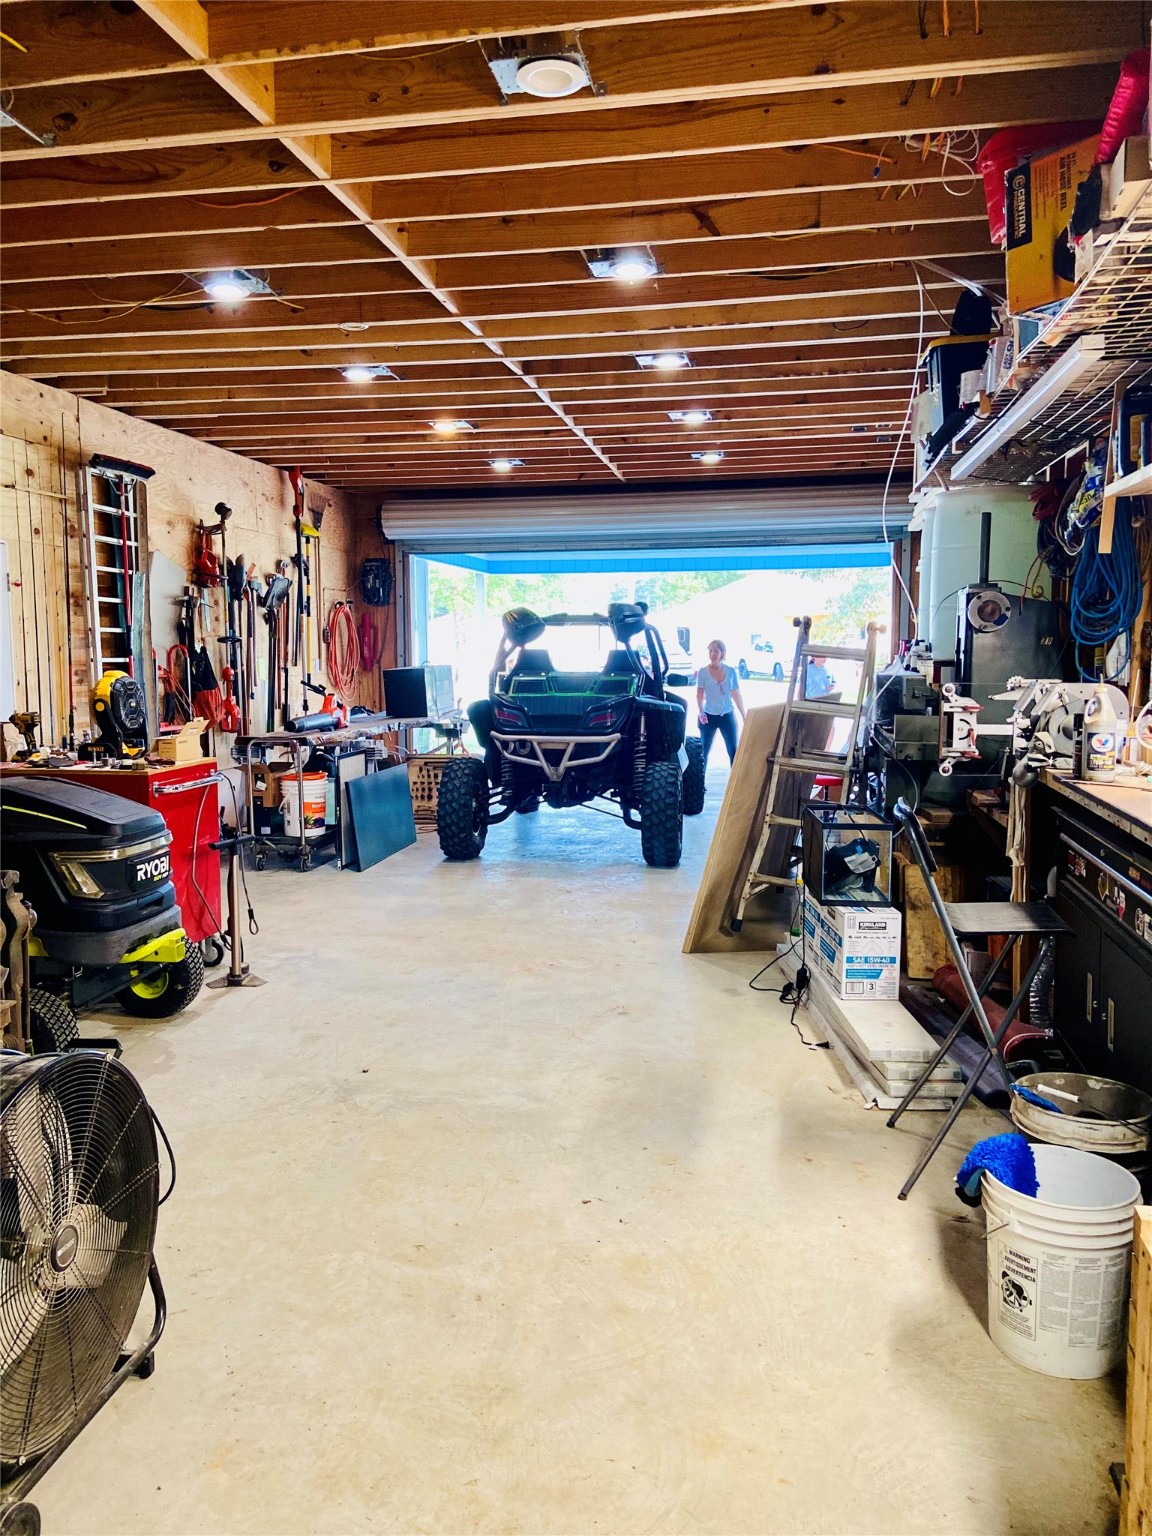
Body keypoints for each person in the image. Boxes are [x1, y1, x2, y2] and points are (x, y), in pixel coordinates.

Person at [695, 639, 746, 765]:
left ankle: (735, 778)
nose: (713, 654)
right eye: (710, 651)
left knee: (733, 751)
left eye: (716, 651)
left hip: (727, 715)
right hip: (708, 716)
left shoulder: (731, 671)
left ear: (722, 653)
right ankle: (700, 777)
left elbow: (736, 694)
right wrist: (701, 711)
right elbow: (699, 694)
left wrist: (743, 715)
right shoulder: (703, 672)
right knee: (703, 751)